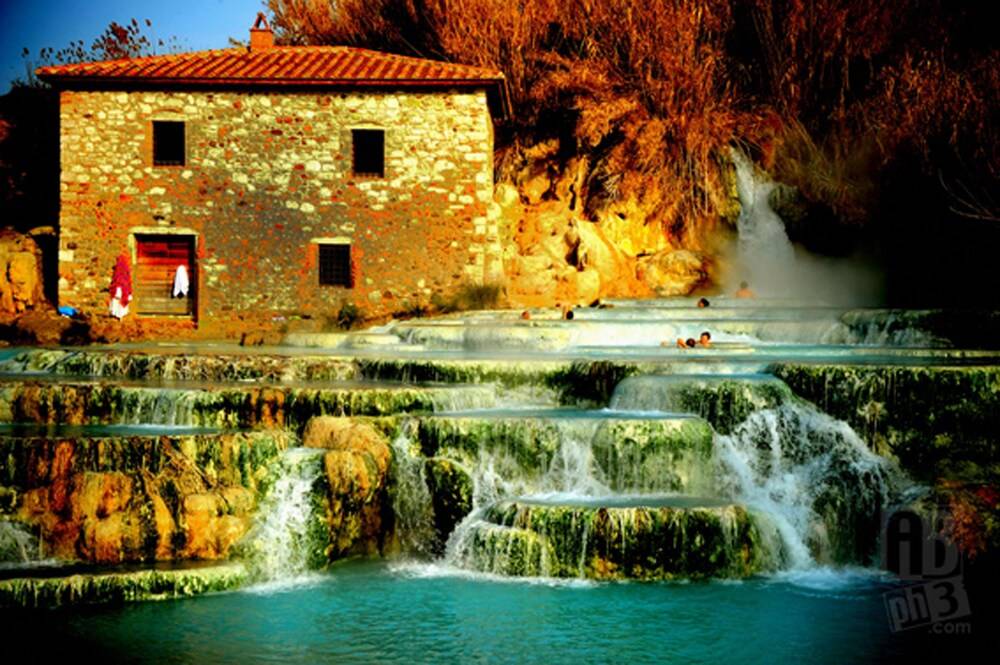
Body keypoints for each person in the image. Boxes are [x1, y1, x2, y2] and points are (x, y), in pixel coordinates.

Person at [109, 254, 132, 319]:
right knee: (118, 302)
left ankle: (118, 316)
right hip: (123, 288)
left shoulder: (119, 269)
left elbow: (118, 279)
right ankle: (119, 317)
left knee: (118, 302)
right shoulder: (126, 269)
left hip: (120, 288)